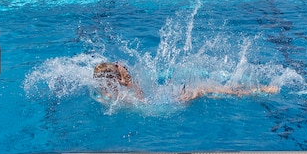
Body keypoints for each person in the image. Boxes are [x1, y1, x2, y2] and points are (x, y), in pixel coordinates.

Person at [93, 62, 278, 103]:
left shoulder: (107, 96)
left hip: (166, 96)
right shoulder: (122, 95)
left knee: (212, 89)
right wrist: (130, 82)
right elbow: (143, 102)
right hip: (173, 100)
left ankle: (258, 90)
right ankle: (259, 90)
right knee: (212, 89)